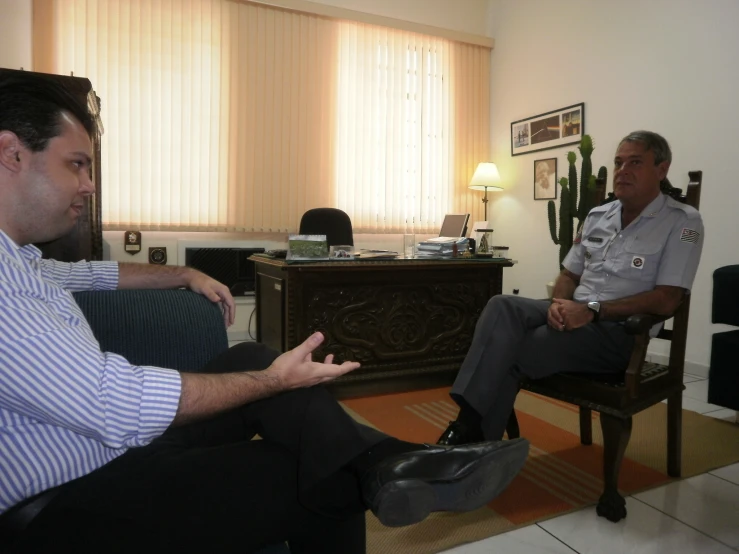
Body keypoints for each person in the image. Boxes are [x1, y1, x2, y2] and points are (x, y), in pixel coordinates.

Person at [0, 73, 529, 553]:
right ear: (12, 155)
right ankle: (387, 465)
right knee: (317, 472)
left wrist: (185, 273)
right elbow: (114, 402)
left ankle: (391, 462)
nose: (89, 185)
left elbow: (98, 275)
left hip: (106, 446)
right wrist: (269, 381)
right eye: (77, 164)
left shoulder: (23, 260)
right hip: (65, 500)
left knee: (250, 353)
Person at [438, 130, 704, 445]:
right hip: (575, 314)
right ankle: (474, 431)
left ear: (661, 170)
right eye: (618, 162)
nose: (622, 171)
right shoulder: (597, 216)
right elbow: (568, 274)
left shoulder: (683, 222)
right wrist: (559, 305)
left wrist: (591, 311)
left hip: (619, 333)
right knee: (501, 305)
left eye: (635, 162)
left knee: (510, 349)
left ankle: (470, 440)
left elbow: (667, 299)